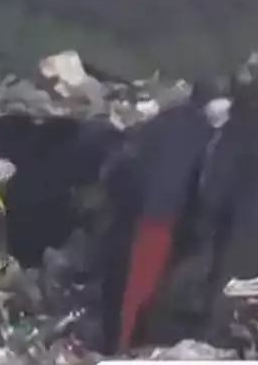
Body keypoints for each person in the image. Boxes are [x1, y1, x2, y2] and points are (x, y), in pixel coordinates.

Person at [100, 79, 241, 353]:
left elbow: (122, 164)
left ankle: (120, 345)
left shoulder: (167, 119)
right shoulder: (209, 130)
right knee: (139, 291)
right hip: (160, 215)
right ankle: (124, 349)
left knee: (124, 286)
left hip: (136, 210)